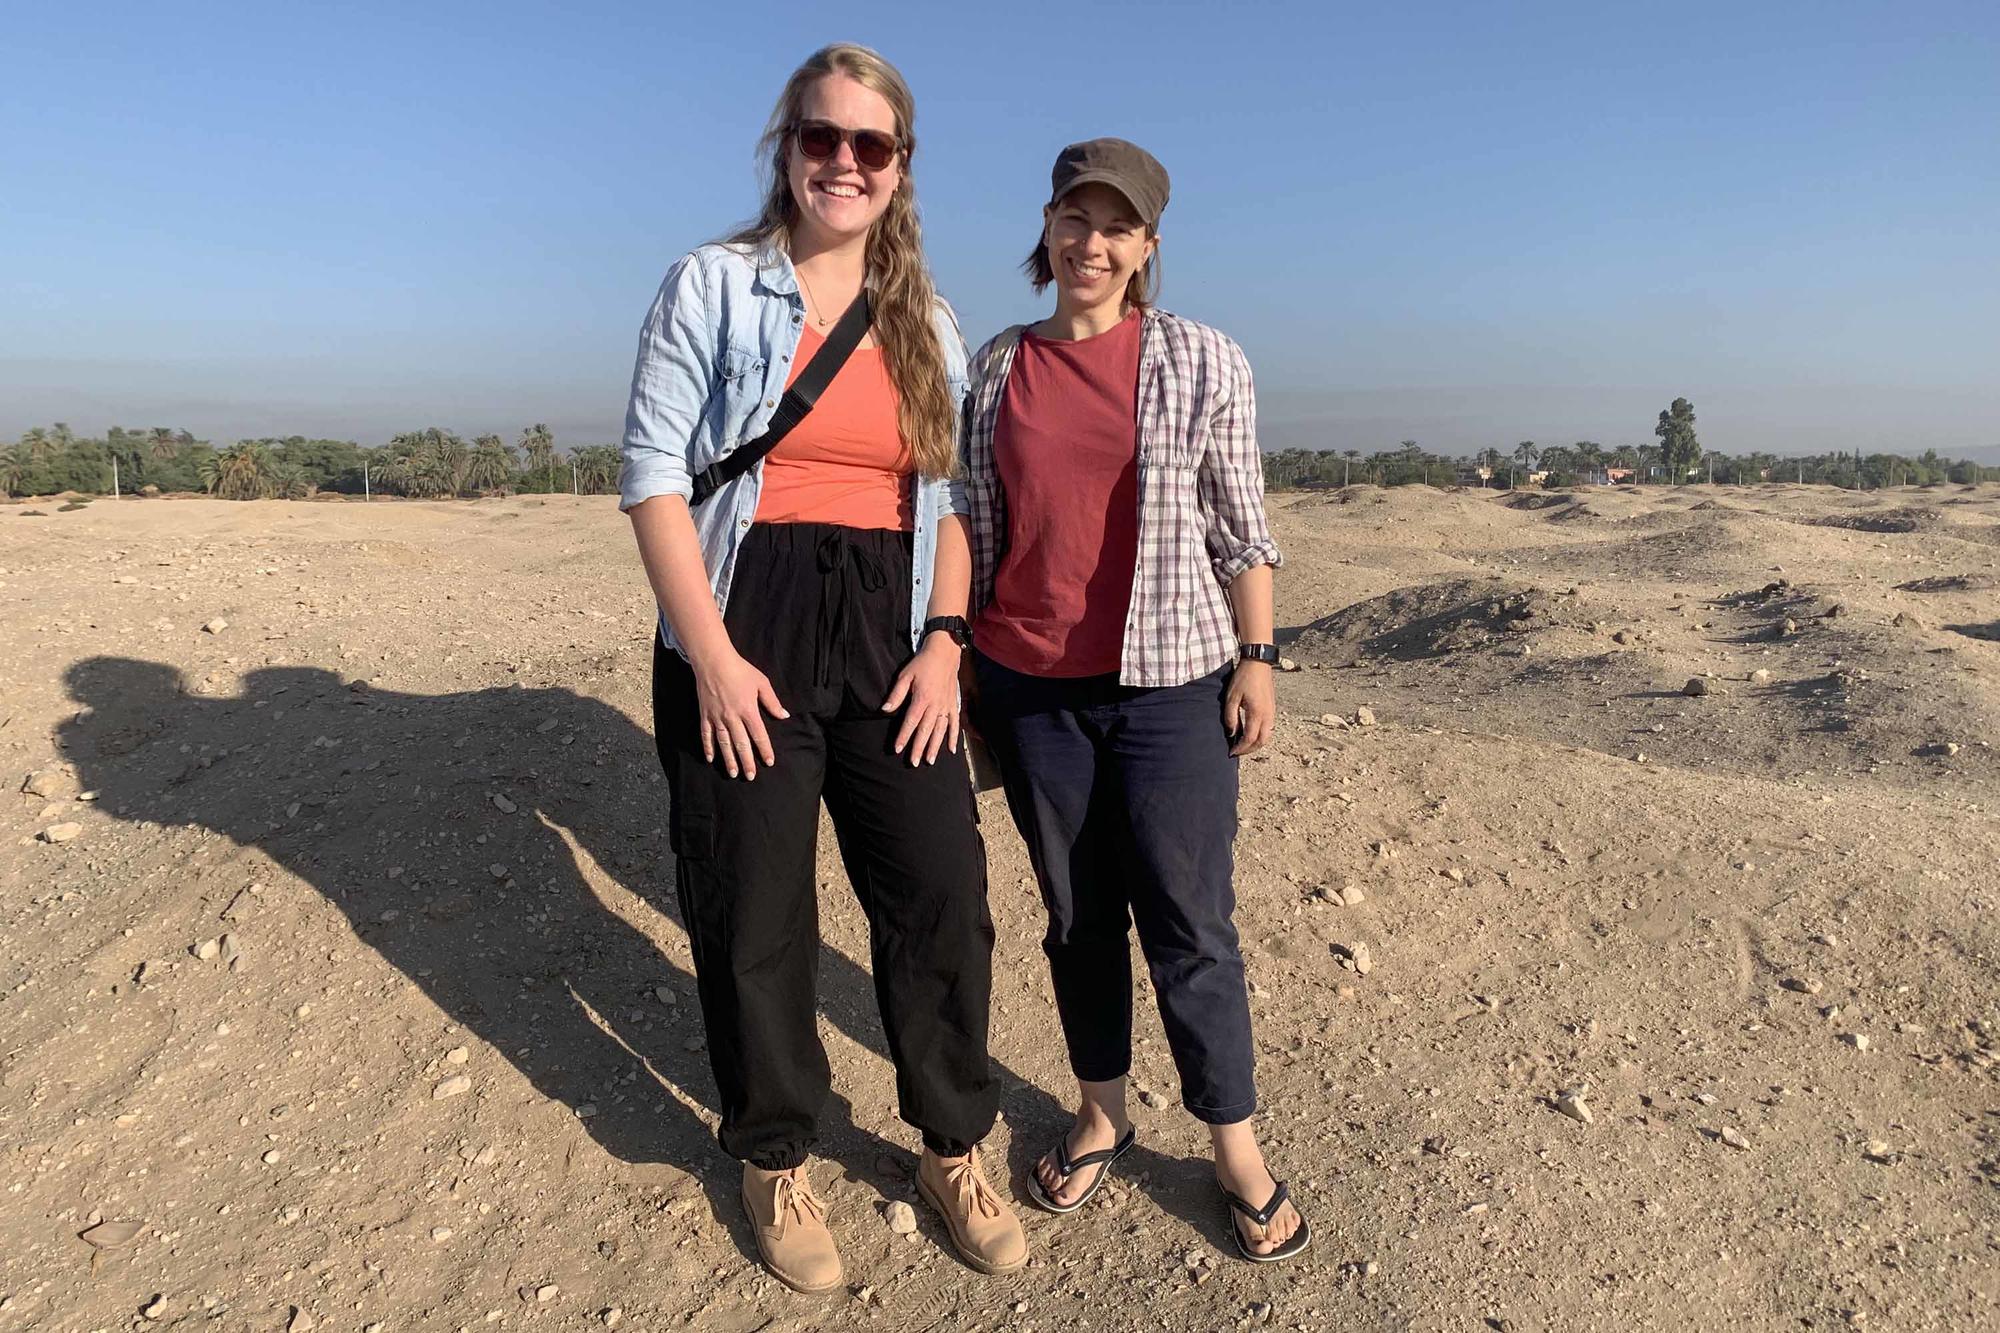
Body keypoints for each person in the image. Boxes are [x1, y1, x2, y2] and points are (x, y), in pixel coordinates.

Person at [619, 43, 1026, 1292]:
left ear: (901, 170)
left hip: (891, 625)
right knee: (754, 901)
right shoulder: (714, 284)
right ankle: (775, 1148)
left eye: (871, 145)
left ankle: (953, 1140)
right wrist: (711, 658)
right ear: (784, 147)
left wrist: (949, 645)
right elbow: (653, 477)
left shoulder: (931, 322)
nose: (843, 163)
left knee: (939, 886)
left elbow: (950, 502)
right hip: (747, 617)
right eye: (821, 137)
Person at [962, 138, 1310, 1262]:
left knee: (1189, 920)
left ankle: (1234, 1146)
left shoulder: (1203, 359)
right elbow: (968, 519)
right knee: (1075, 915)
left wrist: (1256, 654)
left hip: (1170, 687)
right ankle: (1102, 1109)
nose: (1091, 243)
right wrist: (958, 657)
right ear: (1047, 229)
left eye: (1116, 226)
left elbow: (1237, 523)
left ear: (1146, 247)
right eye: (1074, 217)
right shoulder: (994, 365)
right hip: (1031, 688)